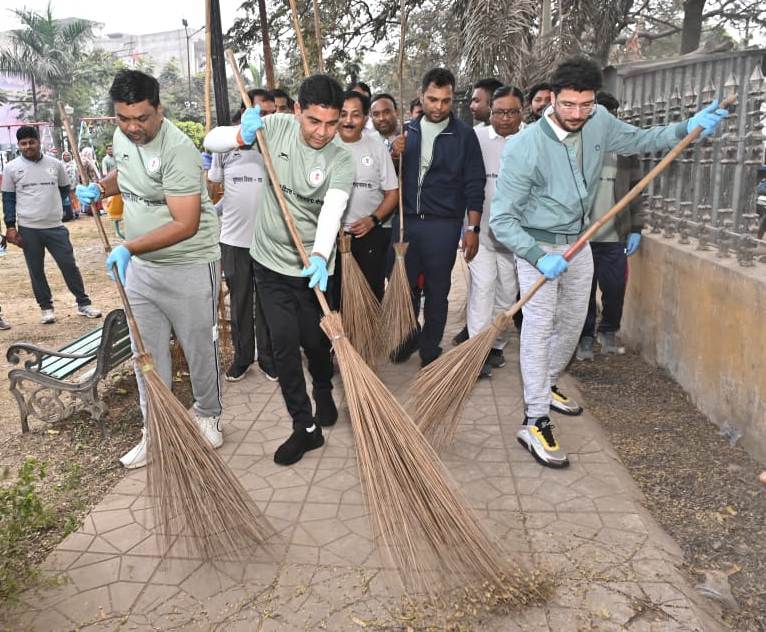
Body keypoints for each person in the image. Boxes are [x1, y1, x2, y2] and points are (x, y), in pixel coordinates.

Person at [490, 55, 728, 469]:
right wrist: (534, 256)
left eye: (584, 105)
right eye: (568, 105)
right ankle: (534, 418)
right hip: (537, 247)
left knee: (572, 321)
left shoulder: (598, 120)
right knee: (540, 325)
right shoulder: (523, 148)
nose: (577, 114)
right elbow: (502, 220)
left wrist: (684, 129)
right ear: (552, 99)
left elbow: (637, 140)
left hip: (579, 243)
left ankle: (545, 384)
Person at [76, 69, 223, 469]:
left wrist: (128, 247)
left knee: (198, 347)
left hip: (190, 263)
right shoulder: (124, 137)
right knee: (146, 353)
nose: (133, 127)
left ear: (159, 109)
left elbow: (185, 223)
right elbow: (125, 172)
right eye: (124, 118)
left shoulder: (178, 149)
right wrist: (102, 188)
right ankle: (155, 429)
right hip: (141, 267)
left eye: (142, 117)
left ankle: (208, 414)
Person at [205, 74, 354, 466]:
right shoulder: (275, 128)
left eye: (332, 123)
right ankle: (304, 428)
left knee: (316, 343)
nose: (323, 132)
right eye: (314, 121)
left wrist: (321, 257)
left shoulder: (340, 159)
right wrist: (241, 135)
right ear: (298, 111)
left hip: (312, 269)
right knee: (285, 345)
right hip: (268, 261)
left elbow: (332, 211)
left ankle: (323, 387)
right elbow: (210, 141)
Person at [391, 67, 485, 367]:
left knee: (437, 289)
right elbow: (388, 180)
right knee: (405, 289)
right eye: (432, 99)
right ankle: (409, 336)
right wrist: (394, 154)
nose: (438, 107)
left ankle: (430, 347)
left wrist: (473, 227)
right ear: (422, 95)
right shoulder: (406, 132)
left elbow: (474, 183)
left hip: (442, 225)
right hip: (406, 221)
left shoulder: (464, 135)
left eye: (445, 101)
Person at [208, 88, 277, 382]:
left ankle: (269, 359)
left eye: (271, 113)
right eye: (262, 113)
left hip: (269, 240)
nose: (267, 119)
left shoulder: (274, 146)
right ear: (247, 114)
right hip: (234, 240)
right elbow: (214, 186)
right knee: (239, 302)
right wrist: (212, 211)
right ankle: (242, 357)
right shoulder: (225, 147)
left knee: (266, 303)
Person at [2, 126, 101, 325]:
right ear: (19, 145)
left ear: (39, 142)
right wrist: (11, 226)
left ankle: (83, 303)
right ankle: (46, 308)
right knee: (36, 270)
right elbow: (9, 200)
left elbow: (64, 189)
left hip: (55, 226)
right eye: (23, 143)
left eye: (32, 142)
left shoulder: (55, 165)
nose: (28, 146)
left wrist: (51, 206)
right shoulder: (12, 168)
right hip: (29, 229)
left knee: (69, 265)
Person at [576, 91, 643, 360]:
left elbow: (636, 192)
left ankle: (608, 331)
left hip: (615, 237)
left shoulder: (626, 151)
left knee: (614, 288)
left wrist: (636, 228)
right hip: (583, 238)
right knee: (584, 292)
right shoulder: (577, 147)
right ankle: (584, 338)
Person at [468, 85, 525, 377]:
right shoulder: (475, 138)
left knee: (506, 296)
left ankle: (496, 346)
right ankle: (476, 353)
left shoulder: (533, 139)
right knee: (482, 290)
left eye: (511, 112)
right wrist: (469, 228)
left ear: (521, 113)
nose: (505, 118)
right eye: (499, 112)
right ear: (490, 112)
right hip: (481, 234)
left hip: (517, 239)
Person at [333, 90, 398, 302]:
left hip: (369, 236)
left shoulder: (376, 147)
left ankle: (370, 336)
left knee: (370, 298)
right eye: (343, 114)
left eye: (355, 115)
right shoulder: (326, 145)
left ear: (365, 119)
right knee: (336, 298)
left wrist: (373, 220)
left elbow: (392, 193)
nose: (348, 121)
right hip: (331, 239)